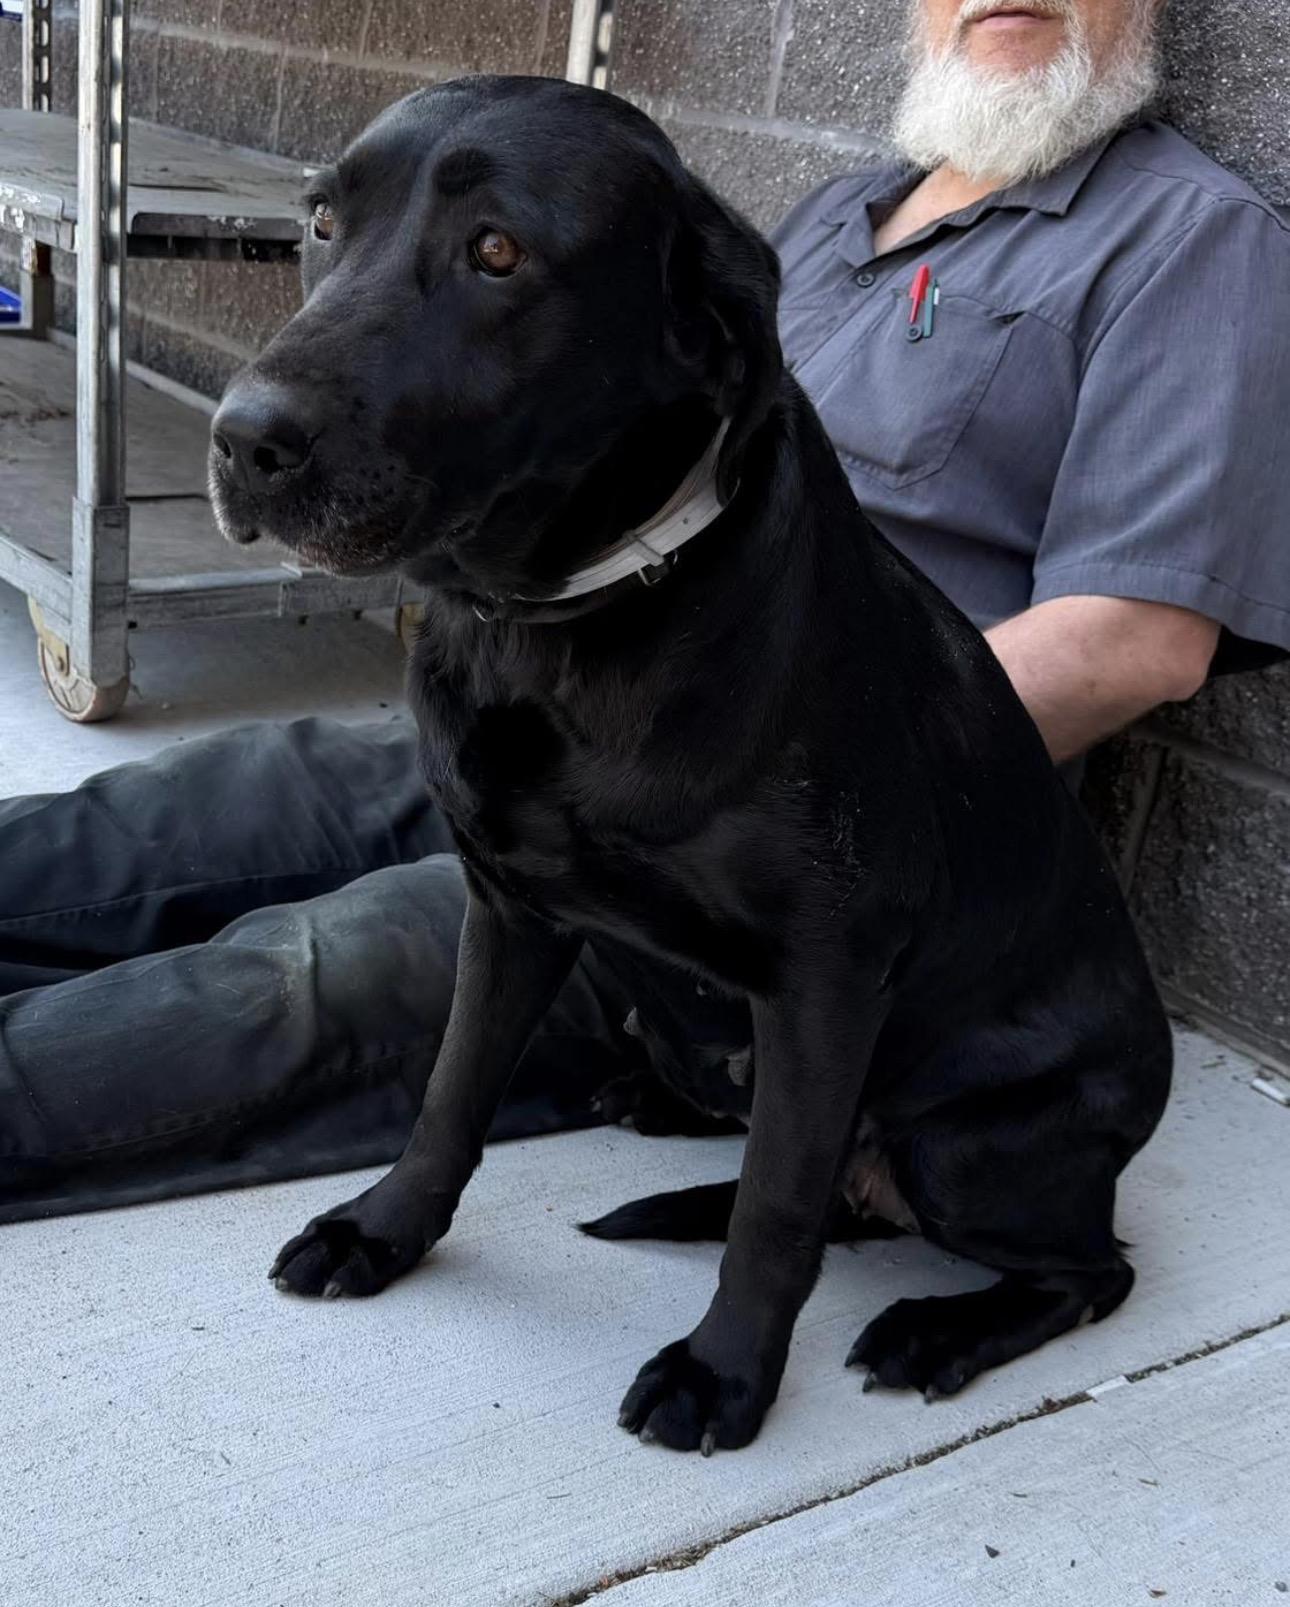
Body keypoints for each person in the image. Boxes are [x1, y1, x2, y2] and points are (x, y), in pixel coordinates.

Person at [2, 0, 1287, 1224]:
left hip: (730, 844)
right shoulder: (846, 215)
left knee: (300, 977)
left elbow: (1134, 640)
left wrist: (762, 800)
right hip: (537, 701)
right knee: (176, 814)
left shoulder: (1187, 237)